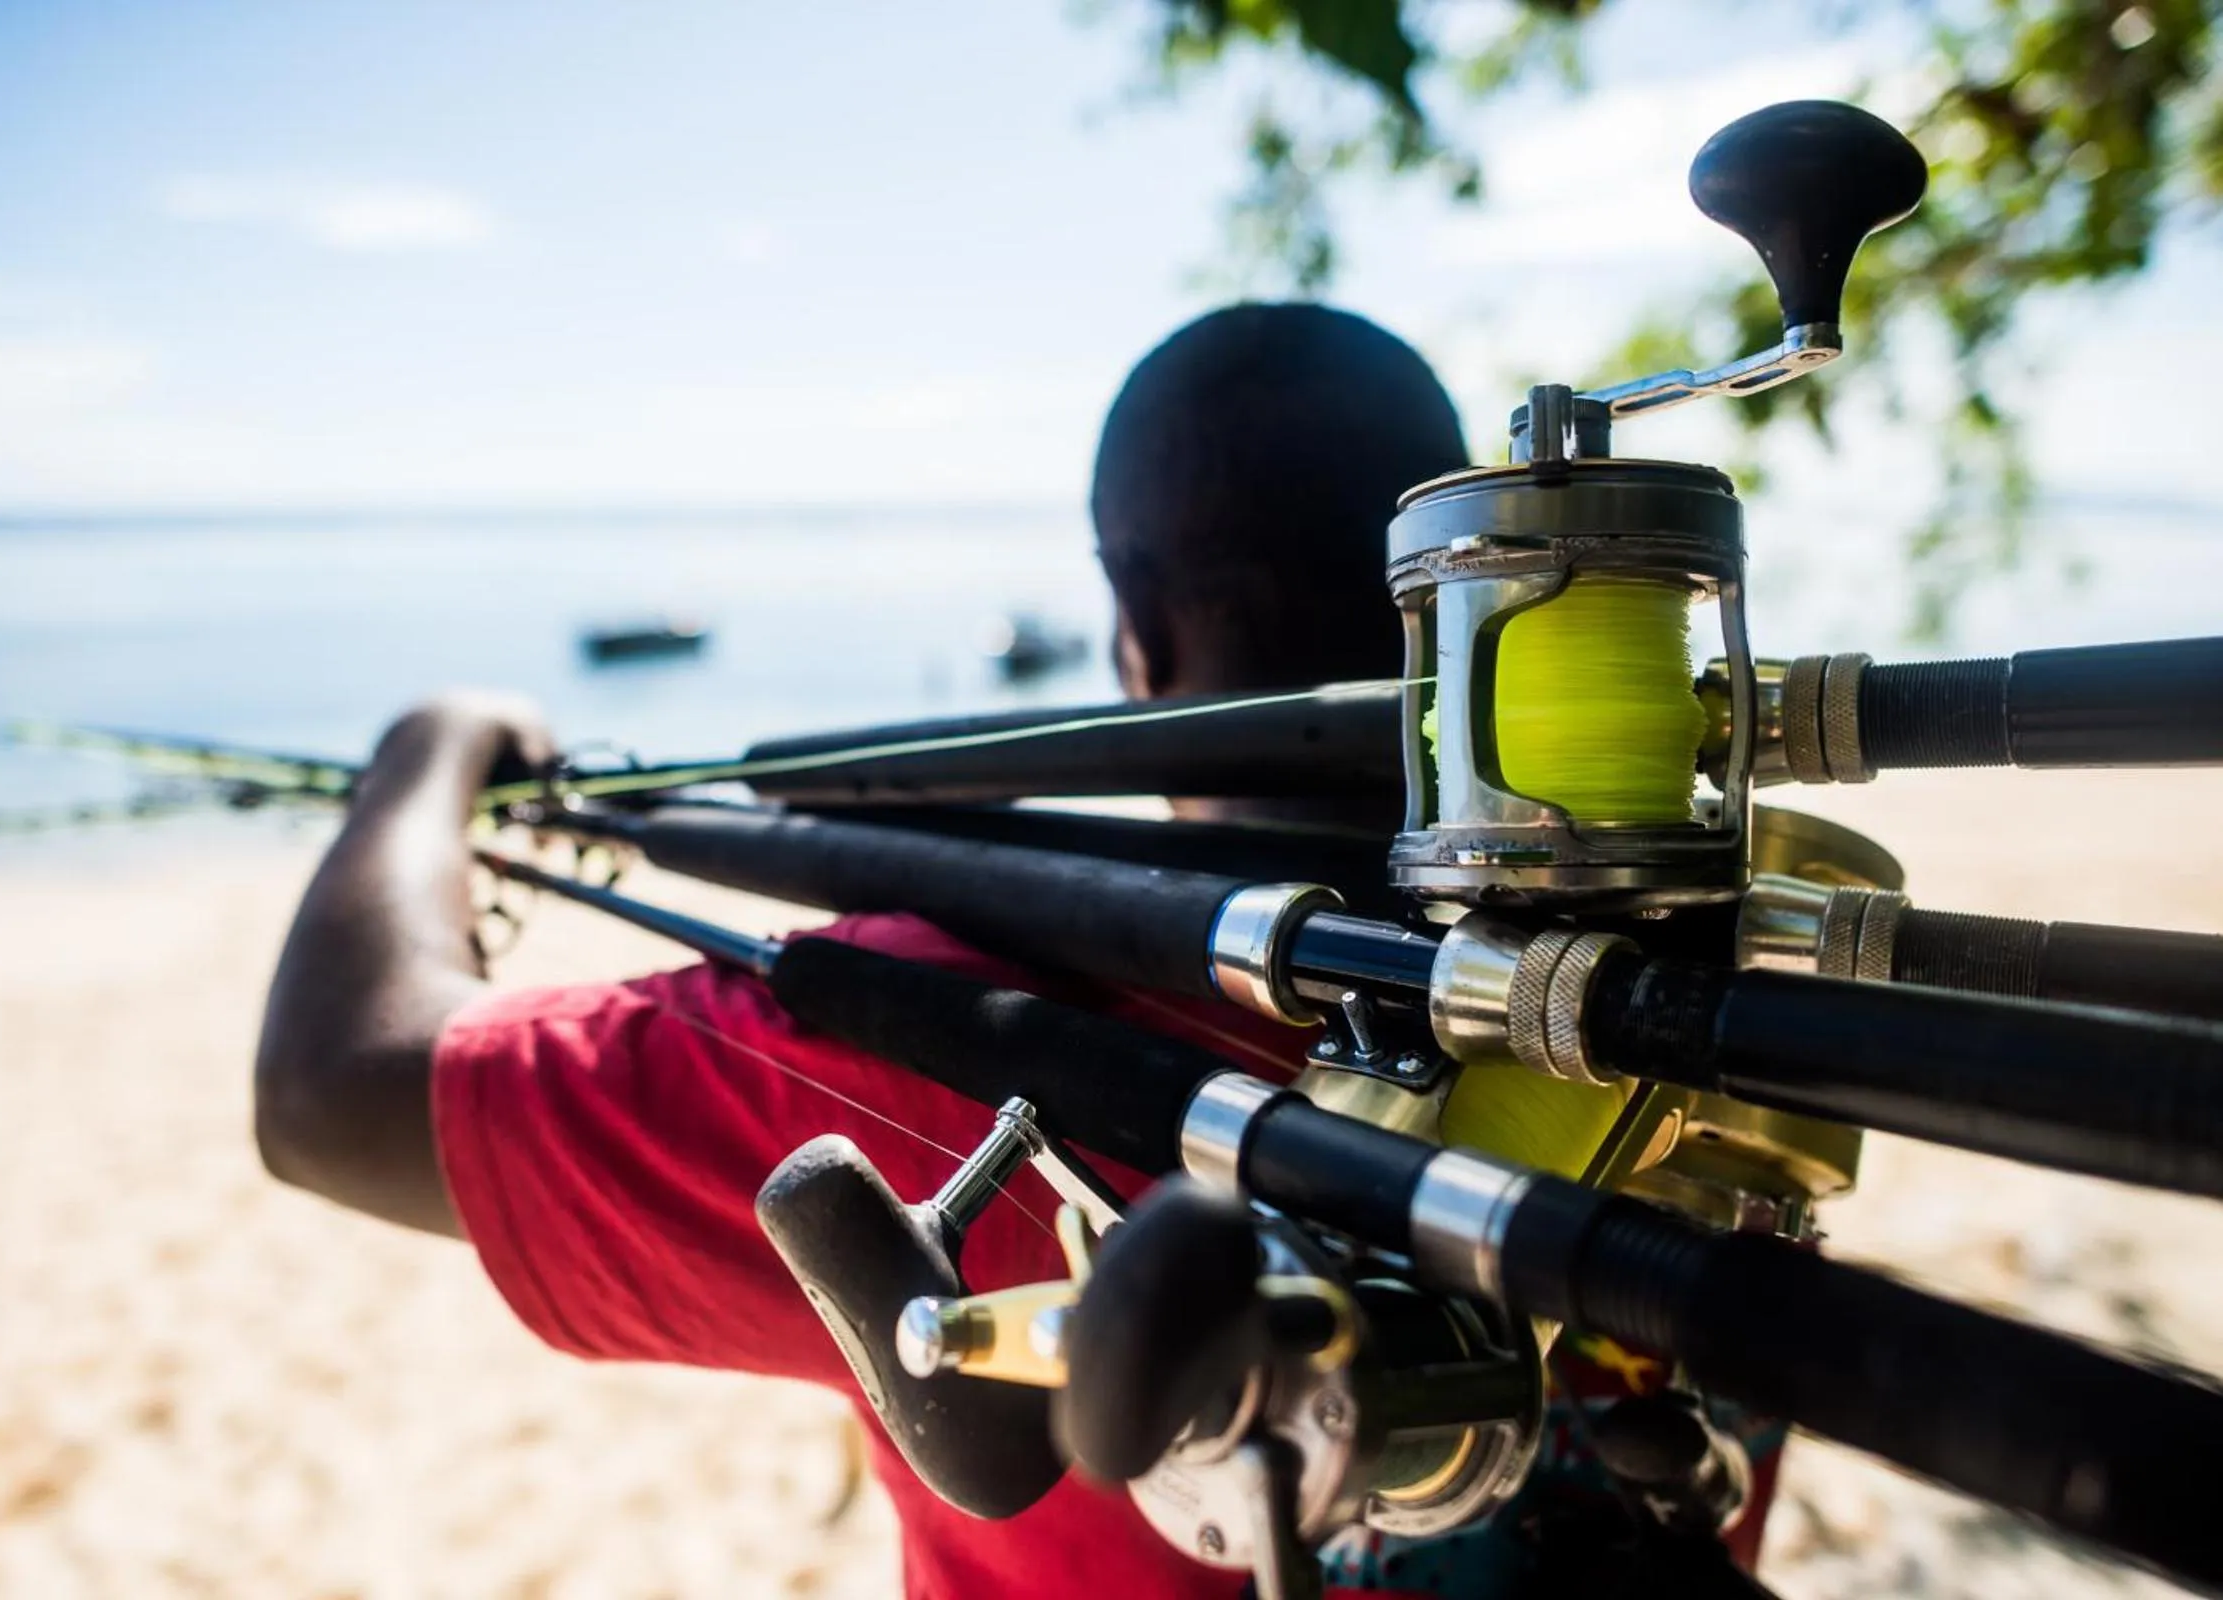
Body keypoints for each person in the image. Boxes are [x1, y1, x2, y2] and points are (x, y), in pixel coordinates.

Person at [251, 304, 1768, 1597]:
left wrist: (427, 747)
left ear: (1140, 633)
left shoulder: (905, 1017)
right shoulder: (1714, 997)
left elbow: (334, 1093)